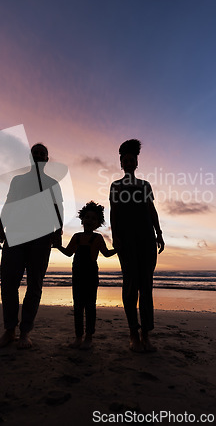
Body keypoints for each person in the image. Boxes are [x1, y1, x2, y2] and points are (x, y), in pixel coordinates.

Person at [0, 143, 63, 349]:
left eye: (42, 154)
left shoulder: (52, 183)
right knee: (8, 283)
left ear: (47, 160)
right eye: (35, 153)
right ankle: (9, 330)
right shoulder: (18, 181)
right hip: (16, 234)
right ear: (30, 158)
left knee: (35, 285)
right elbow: (9, 205)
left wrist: (58, 233)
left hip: (41, 238)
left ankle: (25, 332)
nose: (39, 156)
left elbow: (58, 209)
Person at [109, 139, 164, 353]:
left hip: (147, 240)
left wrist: (158, 233)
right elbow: (114, 213)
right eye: (126, 160)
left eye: (133, 160)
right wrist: (115, 237)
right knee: (130, 286)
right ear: (121, 164)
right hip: (127, 241)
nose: (130, 163)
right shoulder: (116, 186)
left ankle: (146, 334)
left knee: (146, 288)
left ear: (136, 163)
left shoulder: (144, 185)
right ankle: (133, 332)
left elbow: (151, 210)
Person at [54, 201, 116, 350]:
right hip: (77, 276)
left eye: (93, 219)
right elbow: (69, 253)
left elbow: (106, 254)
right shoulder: (76, 237)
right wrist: (58, 246)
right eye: (87, 217)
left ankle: (89, 337)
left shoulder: (98, 238)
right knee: (77, 307)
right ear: (82, 219)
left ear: (98, 223)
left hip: (91, 275)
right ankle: (78, 337)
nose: (89, 221)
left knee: (90, 306)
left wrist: (119, 249)